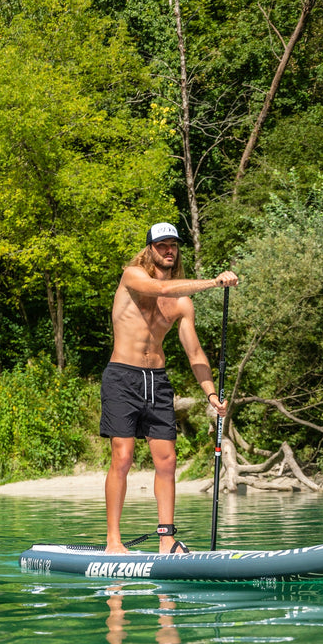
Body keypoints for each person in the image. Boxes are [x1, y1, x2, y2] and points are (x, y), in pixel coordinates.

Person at [101, 222, 238, 554]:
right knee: (123, 456)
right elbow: (160, 289)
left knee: (167, 460)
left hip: (157, 382)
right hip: (122, 377)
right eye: (161, 245)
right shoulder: (132, 276)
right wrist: (215, 282)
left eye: (173, 245)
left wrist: (210, 393)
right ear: (149, 249)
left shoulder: (182, 304)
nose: (168, 250)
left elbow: (194, 353)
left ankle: (166, 540)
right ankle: (113, 541)